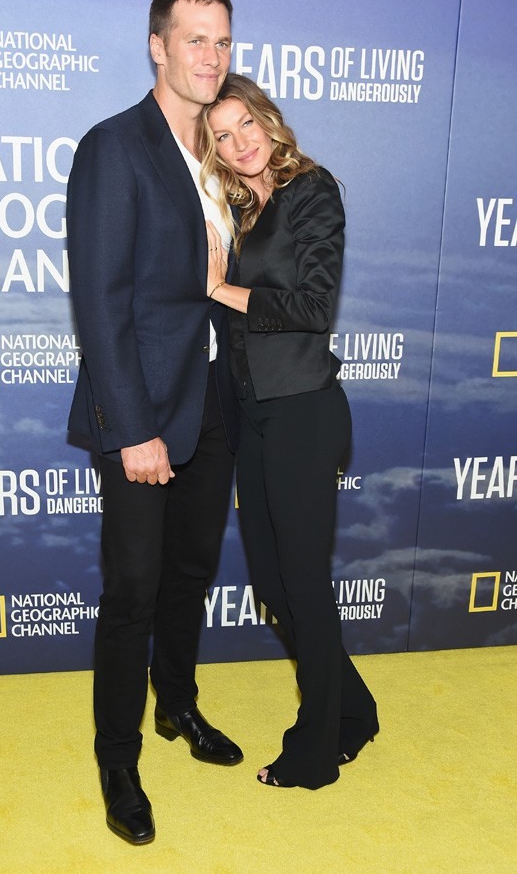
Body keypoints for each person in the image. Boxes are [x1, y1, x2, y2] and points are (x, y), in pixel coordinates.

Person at [66, 0, 242, 845]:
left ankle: (178, 708)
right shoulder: (115, 146)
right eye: (193, 38)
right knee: (132, 593)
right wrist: (132, 427)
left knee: (189, 574)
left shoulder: (215, 151)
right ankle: (117, 759)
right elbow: (99, 303)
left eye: (221, 40)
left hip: (211, 401)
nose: (209, 56)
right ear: (157, 44)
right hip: (140, 411)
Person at [198, 73, 379, 791]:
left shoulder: (312, 191)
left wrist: (219, 288)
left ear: (268, 121)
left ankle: (316, 749)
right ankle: (356, 707)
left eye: (246, 124)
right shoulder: (239, 210)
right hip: (257, 417)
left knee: (303, 580)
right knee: (274, 580)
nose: (239, 142)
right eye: (222, 135)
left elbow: (309, 305)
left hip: (305, 411)